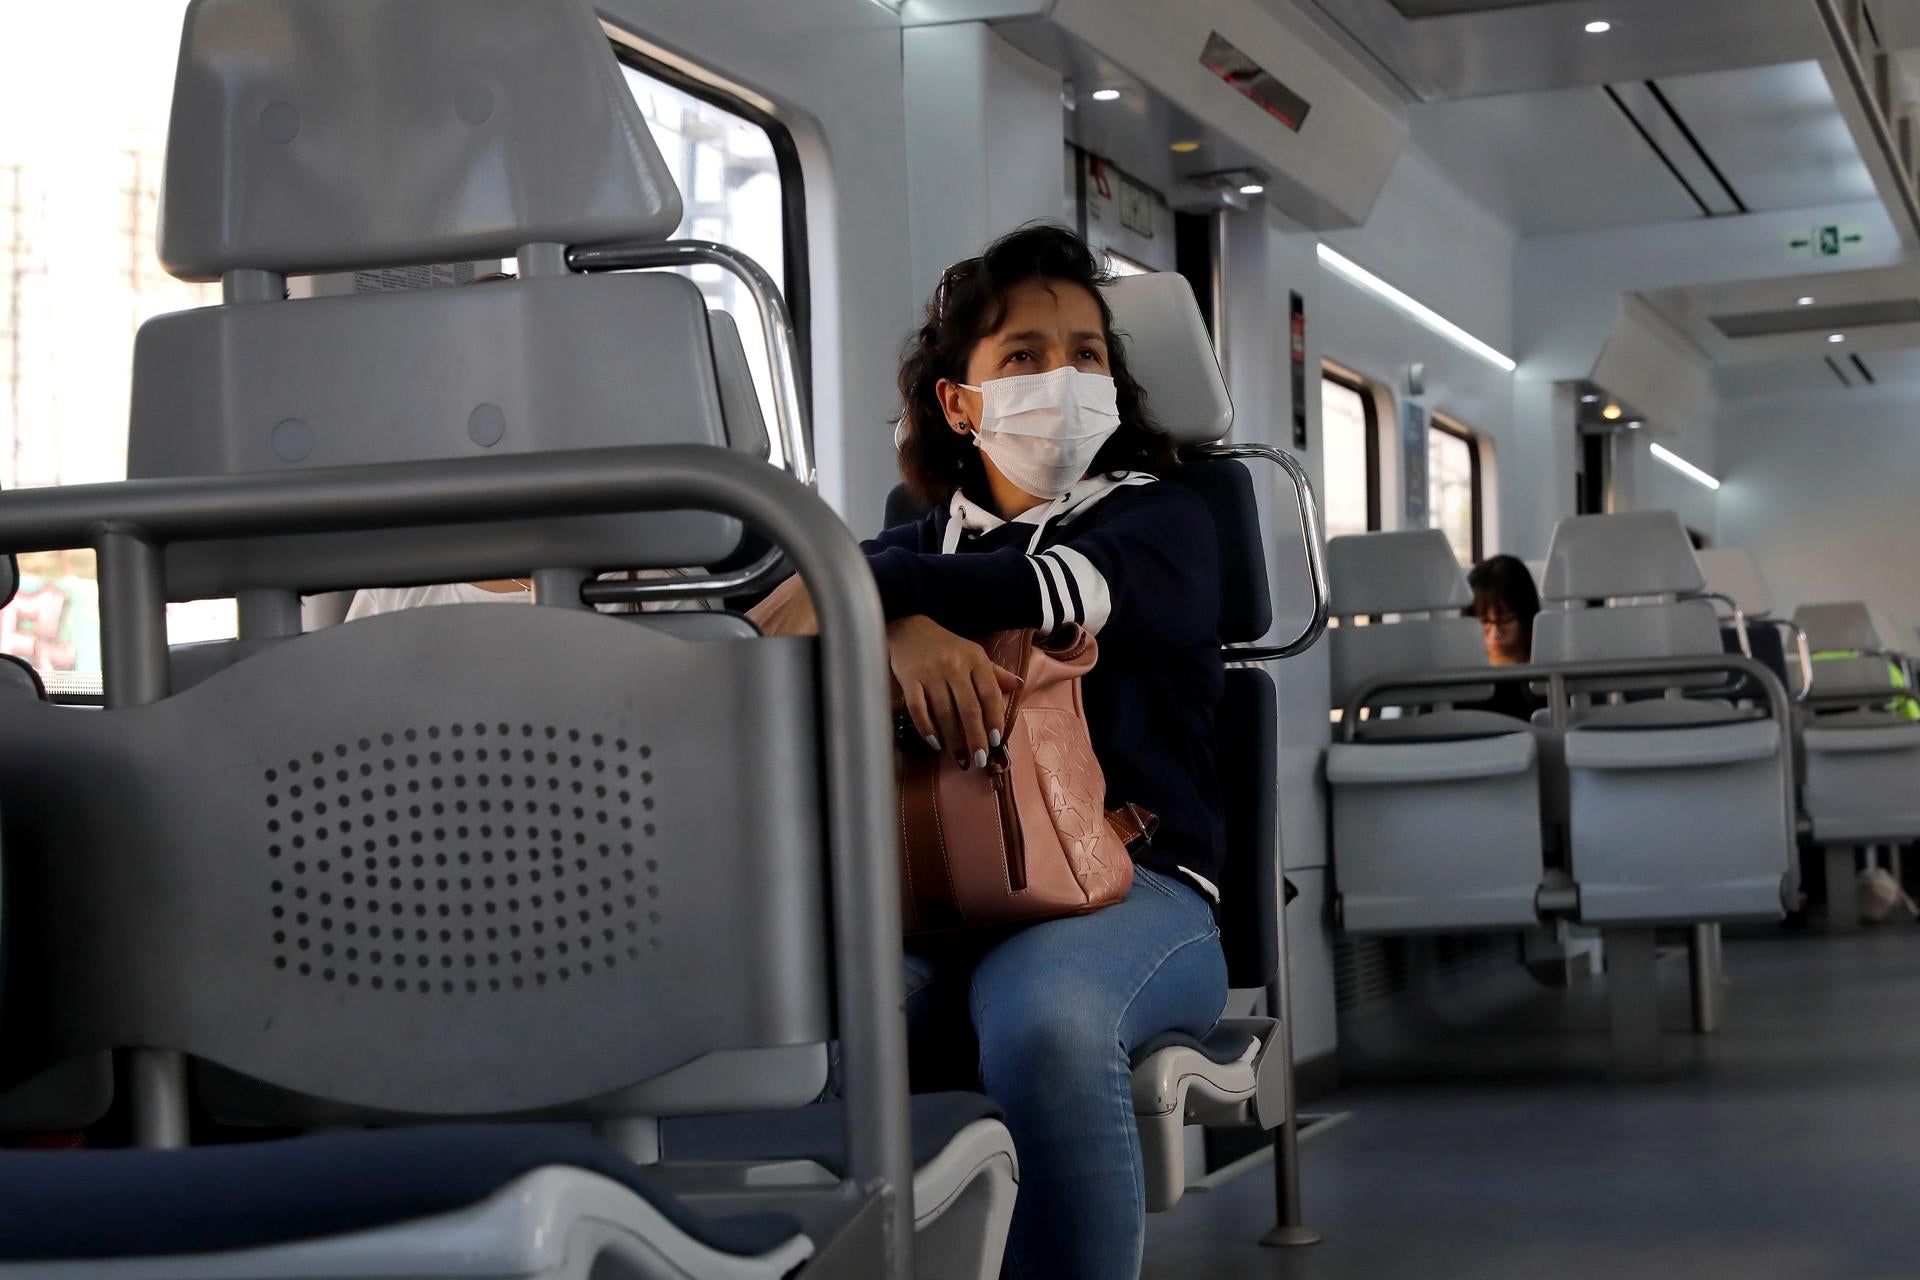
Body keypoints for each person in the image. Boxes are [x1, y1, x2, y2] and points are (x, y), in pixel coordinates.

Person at [750, 224, 1226, 1279]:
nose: (1064, 375)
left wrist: (877, 596)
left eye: (1087, 352)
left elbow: (1050, 595)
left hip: (1136, 891)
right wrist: (888, 610)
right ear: (958, 403)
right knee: (796, 1026)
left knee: (1047, 1022)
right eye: (1023, 355)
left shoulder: (1169, 521)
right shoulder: (905, 552)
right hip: (932, 895)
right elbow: (772, 620)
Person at [1466, 554, 1542, 721]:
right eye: (1484, 622)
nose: (1496, 633)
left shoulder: (1546, 679)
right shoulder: (1461, 681)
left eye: (1506, 620)